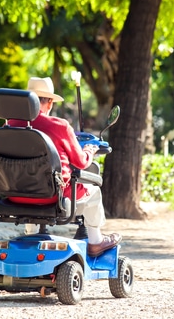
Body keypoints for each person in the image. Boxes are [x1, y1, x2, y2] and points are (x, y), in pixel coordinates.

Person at [8, 77, 122, 257]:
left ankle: (31, 235)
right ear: (50, 102)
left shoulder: (9, 126)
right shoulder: (59, 126)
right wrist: (89, 150)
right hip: (53, 197)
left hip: (13, 196)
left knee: (28, 181)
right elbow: (81, 162)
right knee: (93, 190)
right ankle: (95, 241)